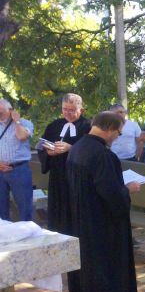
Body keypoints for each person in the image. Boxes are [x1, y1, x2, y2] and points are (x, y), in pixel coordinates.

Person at [66, 112, 140, 292]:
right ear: (108, 128)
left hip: (81, 218)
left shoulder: (78, 148)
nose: (117, 137)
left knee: (87, 267)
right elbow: (110, 193)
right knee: (104, 267)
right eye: (118, 132)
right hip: (101, 222)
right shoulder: (102, 155)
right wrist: (128, 189)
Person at [38, 93, 91, 235]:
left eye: (72, 110)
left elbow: (94, 151)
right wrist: (48, 152)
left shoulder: (88, 126)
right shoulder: (54, 125)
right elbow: (40, 146)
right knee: (57, 210)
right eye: (65, 109)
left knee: (75, 210)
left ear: (81, 110)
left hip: (77, 177)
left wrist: (71, 148)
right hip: (57, 176)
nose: (68, 113)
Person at [0, 99, 33, 221]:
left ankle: (29, 235)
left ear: (11, 110)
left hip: (19, 170)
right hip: (0, 171)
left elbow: (22, 136)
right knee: (1, 210)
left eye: (1, 112)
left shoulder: (25, 123)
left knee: (25, 208)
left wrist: (17, 121)